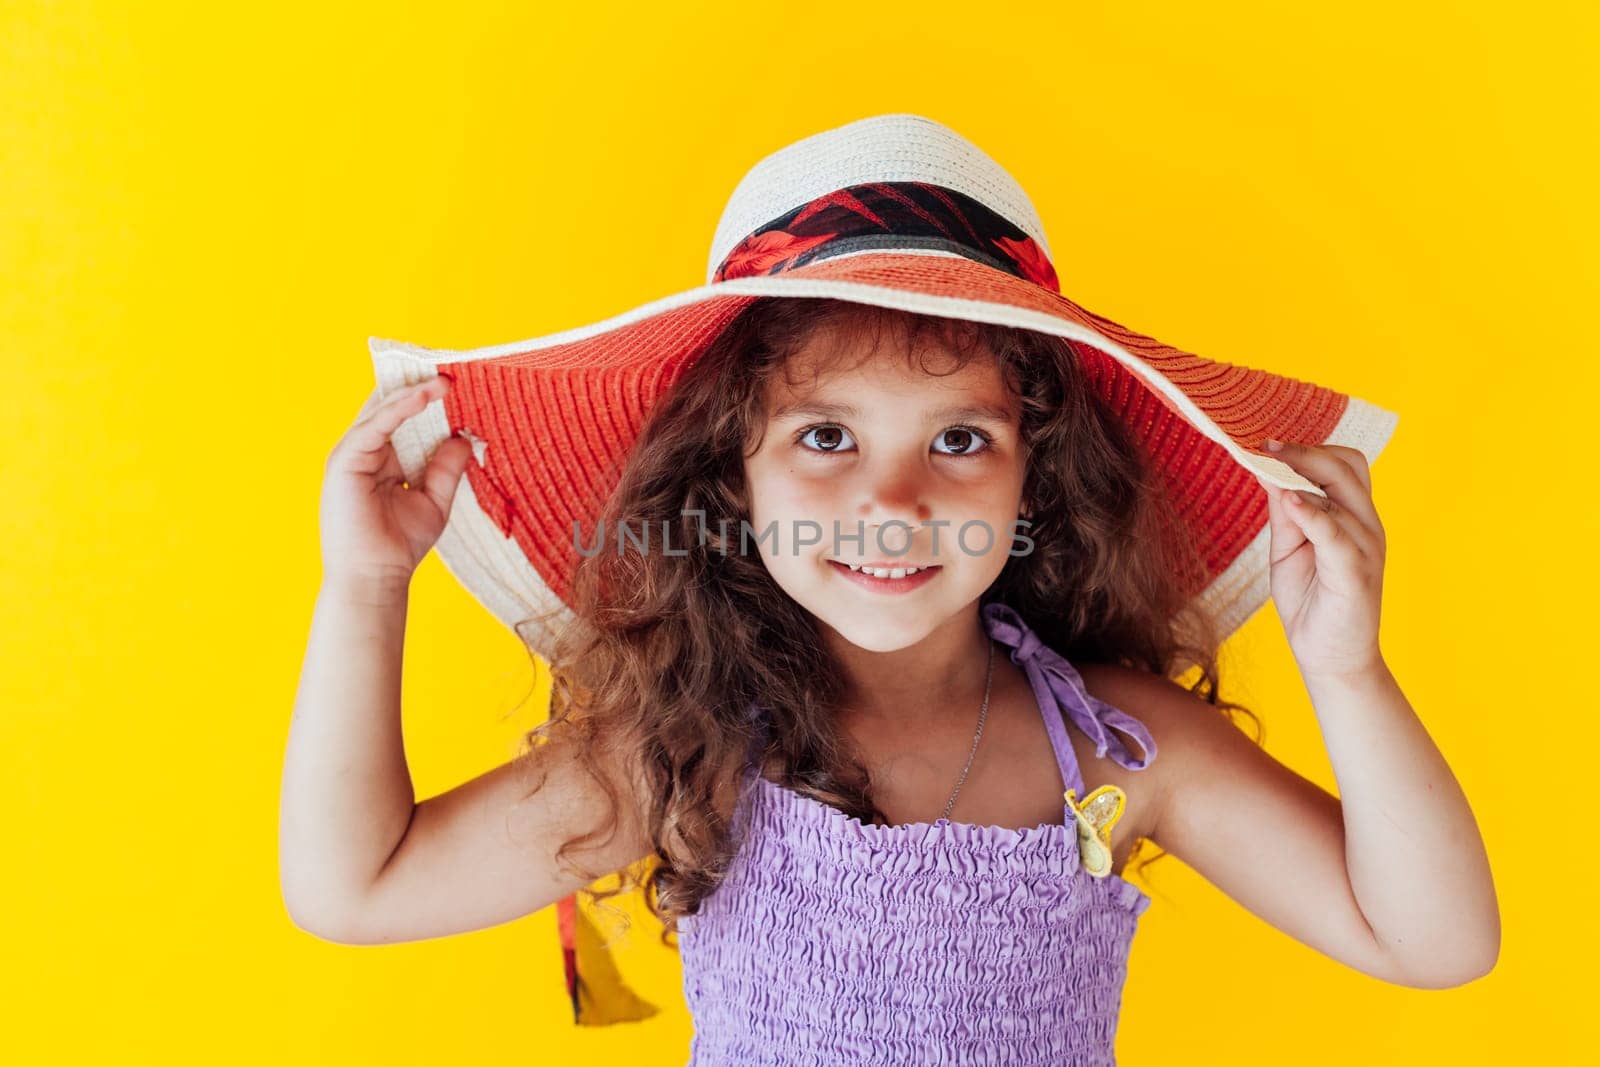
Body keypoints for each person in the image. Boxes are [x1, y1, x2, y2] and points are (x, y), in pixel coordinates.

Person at [279, 114, 1499, 1064]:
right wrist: (369, 584)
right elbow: (356, 885)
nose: (892, 502)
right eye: (824, 437)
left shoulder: (1117, 745)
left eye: (959, 441)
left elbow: (1433, 939)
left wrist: (1346, 665)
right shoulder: (684, 751)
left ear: (1037, 478)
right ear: (732, 471)